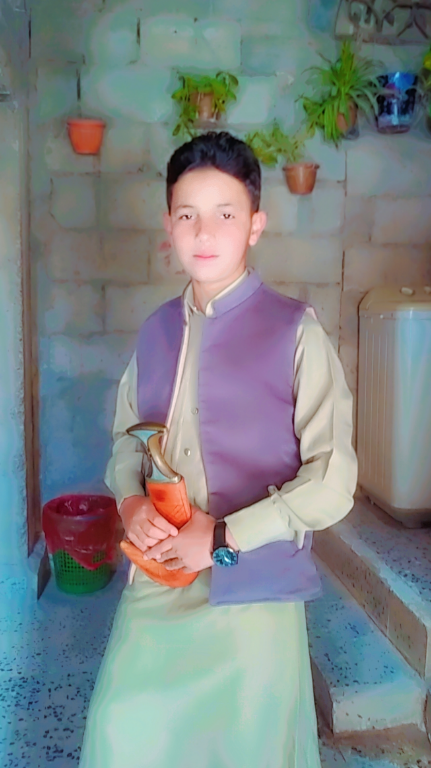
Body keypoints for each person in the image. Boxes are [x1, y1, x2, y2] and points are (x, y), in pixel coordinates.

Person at [78, 131, 357, 768]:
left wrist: (224, 537)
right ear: (168, 226)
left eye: (225, 214)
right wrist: (129, 503)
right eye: (188, 215)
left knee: (246, 750)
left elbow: (332, 480)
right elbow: (127, 440)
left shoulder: (296, 331)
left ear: (255, 224)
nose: (204, 232)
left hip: (254, 586)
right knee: (120, 731)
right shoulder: (155, 332)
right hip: (159, 577)